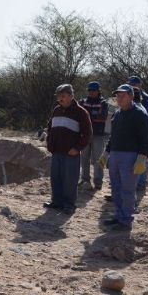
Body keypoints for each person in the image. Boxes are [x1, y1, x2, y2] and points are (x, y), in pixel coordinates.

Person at [99, 84, 148, 231]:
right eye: (118, 95)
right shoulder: (117, 114)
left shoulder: (140, 114)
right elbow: (113, 136)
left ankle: (126, 220)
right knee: (115, 188)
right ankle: (118, 216)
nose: (119, 98)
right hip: (115, 155)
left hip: (130, 156)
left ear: (131, 96)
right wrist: (106, 152)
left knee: (127, 189)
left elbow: (146, 138)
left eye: (122, 95)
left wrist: (142, 157)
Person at [44, 84, 93, 215]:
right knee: (56, 178)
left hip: (71, 152)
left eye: (63, 96)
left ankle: (69, 204)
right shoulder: (56, 110)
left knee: (70, 179)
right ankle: (56, 202)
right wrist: (49, 143)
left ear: (71, 96)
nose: (60, 99)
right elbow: (50, 128)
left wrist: (77, 148)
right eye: (58, 96)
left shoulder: (81, 112)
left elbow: (88, 134)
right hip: (56, 151)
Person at [78, 81, 109, 190]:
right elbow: (79, 116)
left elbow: (102, 117)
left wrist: (87, 117)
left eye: (93, 90)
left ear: (98, 91)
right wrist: (92, 116)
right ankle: (85, 179)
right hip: (85, 134)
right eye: (90, 90)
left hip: (98, 135)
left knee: (98, 159)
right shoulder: (82, 102)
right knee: (84, 158)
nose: (91, 92)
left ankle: (98, 181)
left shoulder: (103, 103)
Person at [128, 76, 148, 191]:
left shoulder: (146, 98)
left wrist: (142, 126)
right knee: (130, 156)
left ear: (140, 85)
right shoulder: (128, 96)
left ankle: (141, 183)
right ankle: (130, 182)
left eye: (134, 84)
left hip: (143, 132)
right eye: (130, 84)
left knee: (142, 155)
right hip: (130, 133)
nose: (132, 86)